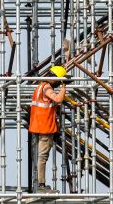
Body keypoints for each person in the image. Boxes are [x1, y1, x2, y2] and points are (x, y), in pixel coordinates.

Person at [29, 65, 68, 193]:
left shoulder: (40, 87)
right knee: (43, 157)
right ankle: (41, 185)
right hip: (44, 128)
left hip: (40, 126)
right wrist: (64, 87)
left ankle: (40, 184)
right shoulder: (47, 88)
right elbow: (58, 99)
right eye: (59, 81)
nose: (58, 84)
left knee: (41, 156)